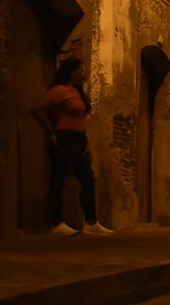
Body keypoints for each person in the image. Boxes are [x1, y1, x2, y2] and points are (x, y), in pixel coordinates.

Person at [30, 57, 113, 236]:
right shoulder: (59, 91)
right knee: (59, 180)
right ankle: (57, 223)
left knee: (88, 180)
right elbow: (37, 109)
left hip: (80, 140)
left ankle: (91, 223)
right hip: (64, 138)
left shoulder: (78, 93)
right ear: (71, 72)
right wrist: (50, 132)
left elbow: (81, 120)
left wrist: (87, 143)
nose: (83, 74)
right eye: (81, 71)